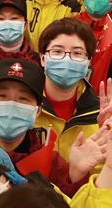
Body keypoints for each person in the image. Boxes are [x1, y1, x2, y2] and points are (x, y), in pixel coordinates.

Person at [34, 18, 101, 162]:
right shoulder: (25, 105)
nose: (66, 59)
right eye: (57, 51)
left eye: (77, 53)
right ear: (43, 58)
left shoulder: (100, 113)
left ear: (88, 62)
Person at [0, 0, 39, 65]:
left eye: (14, 18)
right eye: (0, 18)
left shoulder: (38, 61)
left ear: (25, 25)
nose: (7, 23)